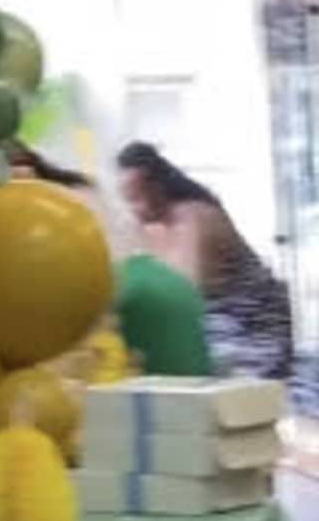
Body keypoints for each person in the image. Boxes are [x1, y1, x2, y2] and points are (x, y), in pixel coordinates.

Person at [116, 141, 293, 382]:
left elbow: (184, 290)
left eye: (137, 198)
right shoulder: (152, 226)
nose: (134, 209)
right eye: (128, 200)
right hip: (217, 322)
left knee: (239, 404)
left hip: (253, 322)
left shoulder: (194, 216)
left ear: (157, 186)